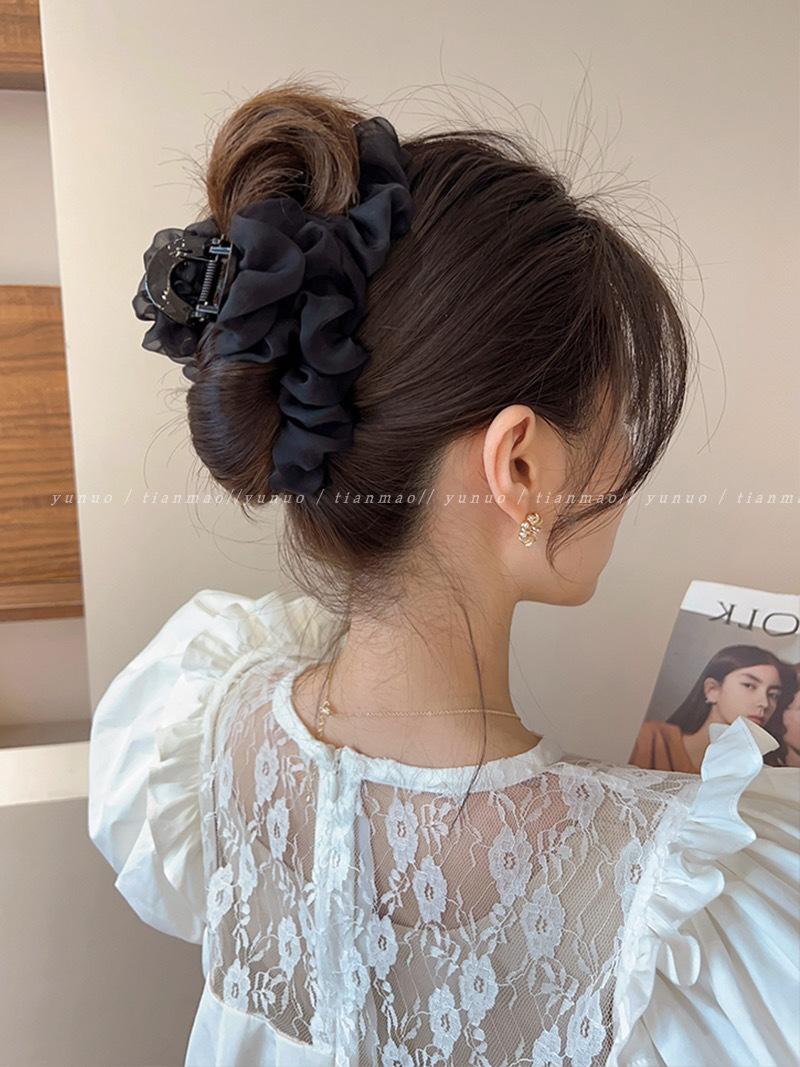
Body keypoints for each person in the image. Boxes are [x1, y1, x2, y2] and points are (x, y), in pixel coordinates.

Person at [88, 82, 800, 1067]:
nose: (628, 466)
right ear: (520, 465)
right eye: (620, 420)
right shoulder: (701, 914)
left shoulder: (197, 722)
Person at [628, 644, 788, 773]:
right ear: (713, 690)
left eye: (773, 695)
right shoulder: (649, 739)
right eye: (749, 685)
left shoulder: (761, 770)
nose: (764, 703)